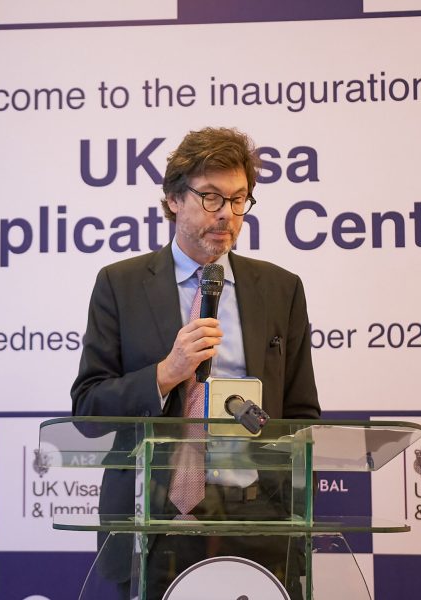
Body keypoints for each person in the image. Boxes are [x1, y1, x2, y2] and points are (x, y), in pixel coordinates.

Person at [71, 126, 321, 598]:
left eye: (239, 199)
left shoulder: (281, 289)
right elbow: (88, 410)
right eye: (210, 197)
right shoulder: (121, 285)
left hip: (257, 517)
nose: (226, 213)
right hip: (153, 517)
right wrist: (166, 373)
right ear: (173, 199)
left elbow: (302, 415)